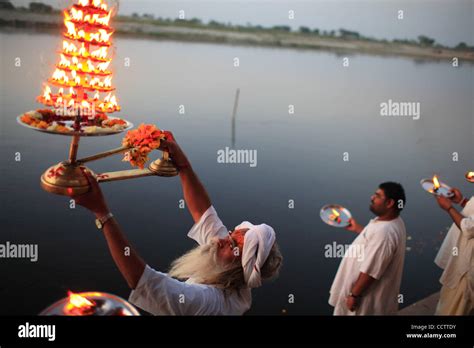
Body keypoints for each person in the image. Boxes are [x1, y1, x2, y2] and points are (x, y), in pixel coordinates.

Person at [72, 133, 283, 315]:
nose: (222, 240)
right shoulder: (231, 269)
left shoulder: (210, 302)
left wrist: (101, 213)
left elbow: (142, 280)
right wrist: (182, 164)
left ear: (239, 269)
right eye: (232, 234)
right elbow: (203, 212)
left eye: (234, 247)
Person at [329, 182, 407, 315]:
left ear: (389, 203)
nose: (372, 198)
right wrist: (358, 228)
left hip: (367, 300)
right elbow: (375, 244)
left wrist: (354, 295)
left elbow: (371, 270)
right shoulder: (393, 221)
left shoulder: (385, 233)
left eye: (377, 196)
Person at [433, 182, 473, 315]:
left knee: (452, 309)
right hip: (463, 264)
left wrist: (449, 208)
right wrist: (462, 201)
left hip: (466, 270)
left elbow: (469, 228)